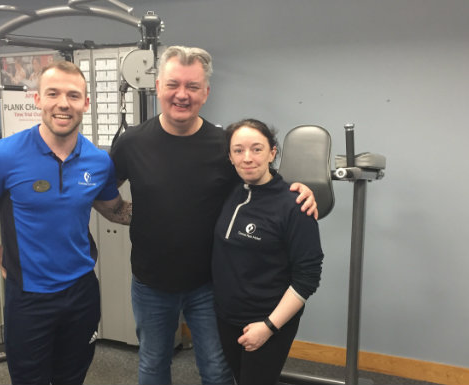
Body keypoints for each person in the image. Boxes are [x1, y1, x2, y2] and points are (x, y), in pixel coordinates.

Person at [110, 46, 317, 385]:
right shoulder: (131, 142)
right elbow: (106, 189)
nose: (182, 94)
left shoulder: (223, 145)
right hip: (151, 281)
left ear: (205, 93)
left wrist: (298, 190)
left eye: (192, 87)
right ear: (159, 86)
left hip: (210, 283)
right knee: (151, 364)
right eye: (173, 84)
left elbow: (260, 182)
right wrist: (127, 213)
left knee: (217, 370)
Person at [0, 60, 132, 384]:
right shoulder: (2, 155)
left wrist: (174, 210)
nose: (64, 103)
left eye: (74, 95)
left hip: (82, 291)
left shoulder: (98, 160)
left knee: (72, 376)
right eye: (53, 93)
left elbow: (115, 209)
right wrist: (1, 259)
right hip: (29, 297)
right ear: (38, 100)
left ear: (85, 104)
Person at [212, 118, 324, 385]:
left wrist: (269, 327)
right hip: (227, 317)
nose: (247, 158)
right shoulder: (230, 192)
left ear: (273, 152)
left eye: (257, 148)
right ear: (230, 156)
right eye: (238, 150)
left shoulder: (295, 204)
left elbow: (308, 277)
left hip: (267, 320)